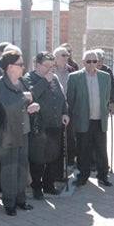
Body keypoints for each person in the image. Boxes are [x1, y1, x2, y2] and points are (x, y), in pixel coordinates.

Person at [0, 50, 39, 216]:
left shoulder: (23, 82)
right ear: (10, 67)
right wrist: (24, 99)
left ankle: (21, 199)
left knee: (22, 168)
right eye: (20, 64)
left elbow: (29, 100)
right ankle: (9, 203)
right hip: (7, 134)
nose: (23, 67)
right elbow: (2, 108)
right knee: (9, 169)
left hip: (24, 131)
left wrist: (34, 106)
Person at [22, 52, 70, 199]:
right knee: (38, 158)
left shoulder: (54, 78)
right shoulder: (29, 78)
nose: (50, 69)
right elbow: (31, 95)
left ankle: (49, 185)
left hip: (55, 124)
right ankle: (37, 187)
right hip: (39, 126)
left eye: (52, 66)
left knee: (53, 157)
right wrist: (45, 81)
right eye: (46, 66)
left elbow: (61, 98)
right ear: (37, 65)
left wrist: (65, 113)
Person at [67, 50, 114, 187]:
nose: (92, 64)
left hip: (99, 119)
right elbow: (70, 99)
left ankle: (103, 175)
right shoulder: (75, 77)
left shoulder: (105, 77)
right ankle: (83, 176)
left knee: (101, 149)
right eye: (89, 61)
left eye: (95, 61)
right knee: (83, 150)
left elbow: (106, 96)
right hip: (83, 119)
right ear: (83, 62)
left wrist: (109, 107)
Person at [53, 46, 76, 175]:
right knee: (57, 136)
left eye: (67, 55)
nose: (66, 57)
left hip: (69, 107)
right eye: (63, 55)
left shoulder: (71, 70)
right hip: (55, 108)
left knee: (71, 135)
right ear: (56, 57)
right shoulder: (51, 70)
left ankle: (71, 160)